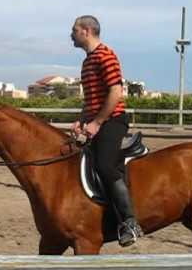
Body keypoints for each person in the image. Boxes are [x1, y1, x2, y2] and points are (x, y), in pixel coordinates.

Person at [70, 15, 143, 247]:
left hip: (113, 121)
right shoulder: (87, 62)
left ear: (87, 31)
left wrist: (97, 123)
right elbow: (91, 100)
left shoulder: (106, 55)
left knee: (104, 165)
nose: (71, 34)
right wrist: (81, 121)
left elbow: (115, 93)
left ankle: (129, 222)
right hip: (97, 120)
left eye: (74, 30)